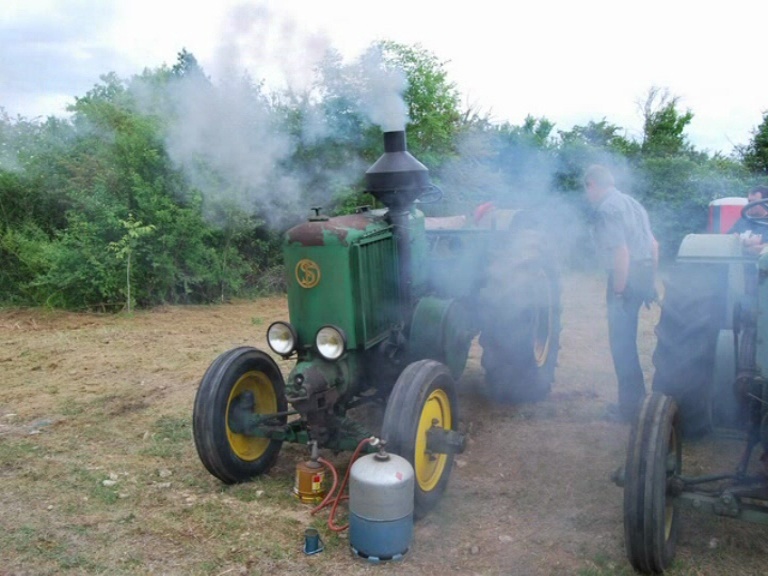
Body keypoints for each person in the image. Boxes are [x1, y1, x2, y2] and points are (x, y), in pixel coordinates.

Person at [584, 164, 659, 423]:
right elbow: (654, 245)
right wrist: (649, 283)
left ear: (592, 185)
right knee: (627, 343)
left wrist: (618, 292)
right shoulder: (633, 204)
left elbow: (621, 252)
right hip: (643, 272)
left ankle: (630, 410)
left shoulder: (607, 209)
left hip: (625, 277)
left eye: (588, 189)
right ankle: (635, 402)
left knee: (622, 345)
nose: (588, 195)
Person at [727, 185, 768, 255]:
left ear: (765, 203)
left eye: (754, 202)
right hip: (740, 263)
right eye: (749, 201)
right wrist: (735, 239)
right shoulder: (743, 220)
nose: (750, 205)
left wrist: (747, 247)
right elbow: (728, 239)